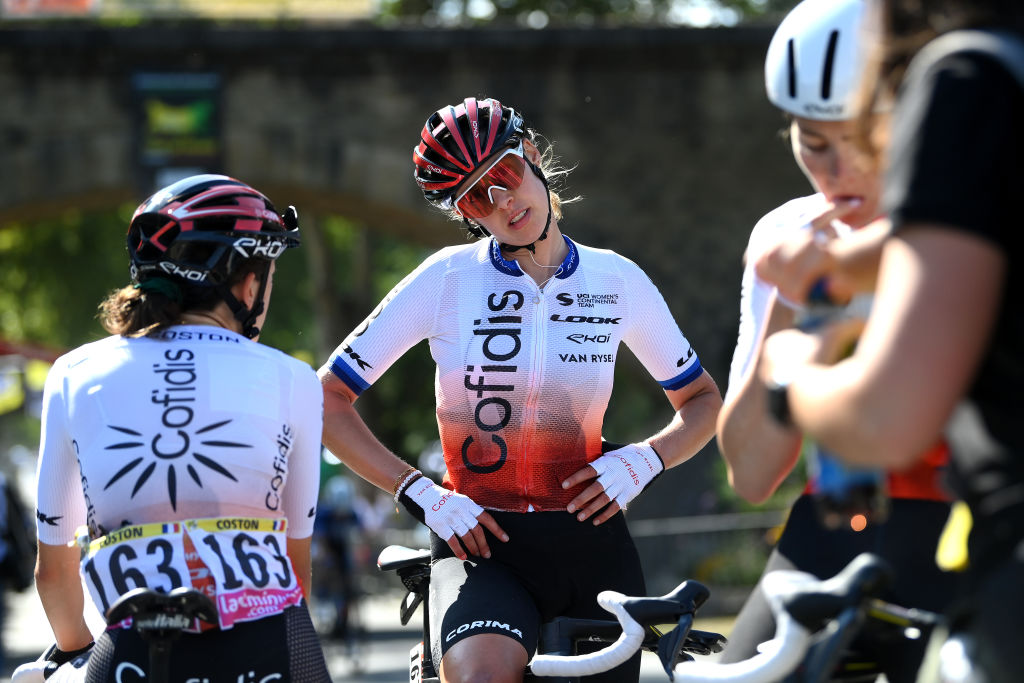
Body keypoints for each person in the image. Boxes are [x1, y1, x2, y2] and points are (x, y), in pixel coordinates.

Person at [318, 96, 722, 683]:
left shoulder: (617, 279)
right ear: (466, 213)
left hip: (590, 540)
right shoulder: (447, 279)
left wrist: (645, 460)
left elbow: (703, 402)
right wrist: (419, 492)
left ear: (531, 155)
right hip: (482, 545)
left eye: (505, 175)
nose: (503, 202)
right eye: (478, 197)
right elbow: (326, 399)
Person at [755, 0, 1024, 680]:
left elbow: (883, 419)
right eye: (814, 142)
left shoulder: (974, 71)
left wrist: (790, 380)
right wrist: (842, 265)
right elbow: (979, 217)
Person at [715, 1, 959, 679]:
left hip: (968, 532)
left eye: (862, 139)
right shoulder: (787, 237)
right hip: (832, 528)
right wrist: (792, 303)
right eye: (813, 142)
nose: (837, 171)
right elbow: (753, 473)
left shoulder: (971, 226)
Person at [29, 175, 330, 681]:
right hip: (264, 648)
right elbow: (295, 571)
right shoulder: (294, 379)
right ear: (248, 284)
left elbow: (52, 573)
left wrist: (75, 654)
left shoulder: (73, 373)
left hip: (132, 652)